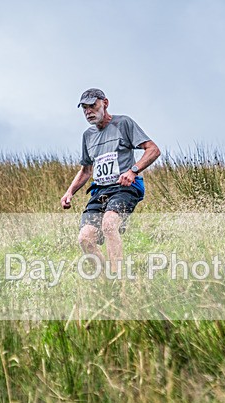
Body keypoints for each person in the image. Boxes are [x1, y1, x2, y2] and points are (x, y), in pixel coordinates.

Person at [61, 88, 161, 275]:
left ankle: (118, 276)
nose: (88, 111)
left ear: (105, 103)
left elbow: (153, 149)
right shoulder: (88, 136)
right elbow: (86, 170)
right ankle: (107, 281)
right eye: (84, 108)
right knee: (85, 239)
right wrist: (69, 192)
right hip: (99, 192)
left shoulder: (123, 123)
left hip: (124, 188)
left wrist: (133, 170)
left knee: (109, 224)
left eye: (93, 106)